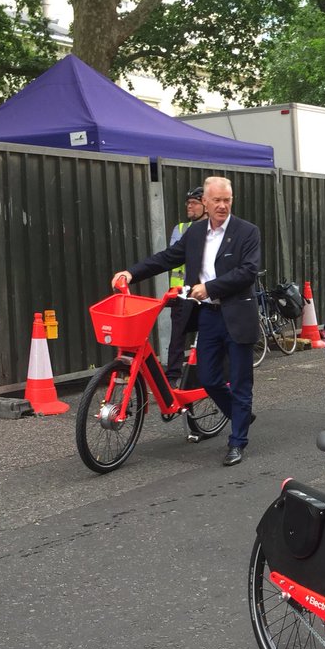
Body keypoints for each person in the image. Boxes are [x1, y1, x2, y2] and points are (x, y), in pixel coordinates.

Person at [112, 176, 260, 467]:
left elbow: (248, 271)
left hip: (237, 313)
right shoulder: (194, 233)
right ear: (204, 202)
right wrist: (131, 273)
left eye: (227, 200)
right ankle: (240, 413)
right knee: (208, 378)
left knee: (241, 382)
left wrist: (211, 287)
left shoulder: (247, 232)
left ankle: (237, 441)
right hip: (207, 316)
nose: (222, 205)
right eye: (216, 200)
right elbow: (167, 258)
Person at [163, 187, 208, 381]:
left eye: (194, 203)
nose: (189, 206)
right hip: (181, 291)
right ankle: (173, 375)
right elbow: (175, 255)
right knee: (178, 335)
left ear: (205, 205)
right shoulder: (180, 228)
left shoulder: (214, 228)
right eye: (188, 203)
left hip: (206, 291)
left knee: (208, 333)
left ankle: (208, 373)